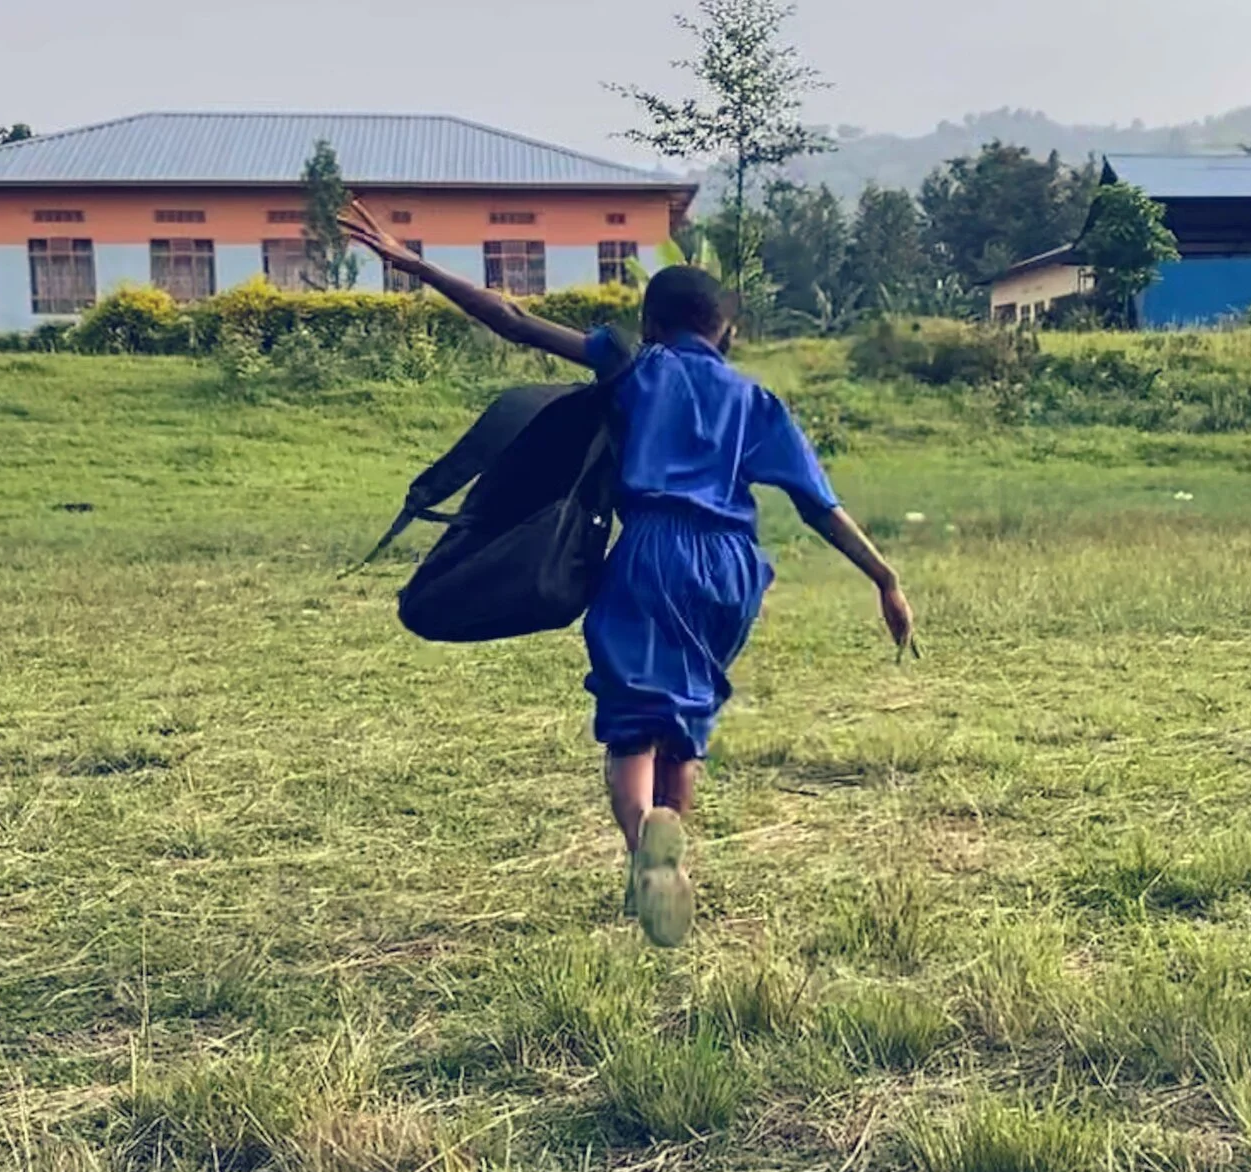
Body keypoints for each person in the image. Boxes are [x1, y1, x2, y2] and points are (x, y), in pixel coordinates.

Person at [339, 201, 915, 947]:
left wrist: (416, 265)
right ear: (726, 333)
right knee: (683, 724)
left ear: (650, 323)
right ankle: (667, 859)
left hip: (652, 552)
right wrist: (884, 575)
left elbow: (513, 319)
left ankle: (643, 843)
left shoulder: (634, 363)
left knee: (631, 726)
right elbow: (817, 504)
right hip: (733, 570)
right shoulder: (757, 400)